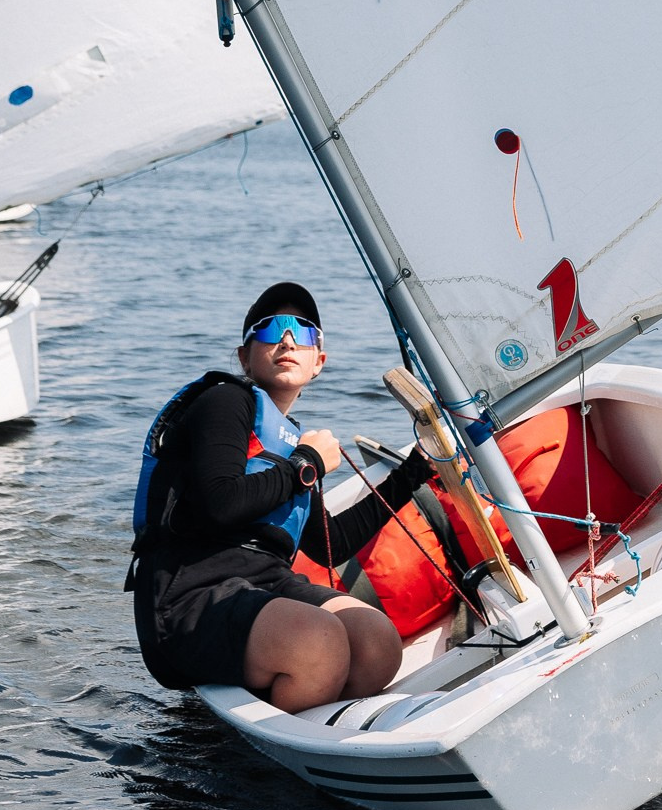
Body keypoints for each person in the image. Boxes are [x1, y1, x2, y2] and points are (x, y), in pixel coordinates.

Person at [130, 280, 437, 712]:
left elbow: (330, 544)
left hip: (267, 582)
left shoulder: (289, 441)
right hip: (190, 591)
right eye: (271, 329)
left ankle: (308, 717)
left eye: (304, 332)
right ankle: (272, 751)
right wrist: (306, 464)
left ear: (319, 362)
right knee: (319, 640)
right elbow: (221, 505)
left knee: (377, 641)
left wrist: (414, 473)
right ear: (244, 356)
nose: (288, 340)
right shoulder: (225, 402)